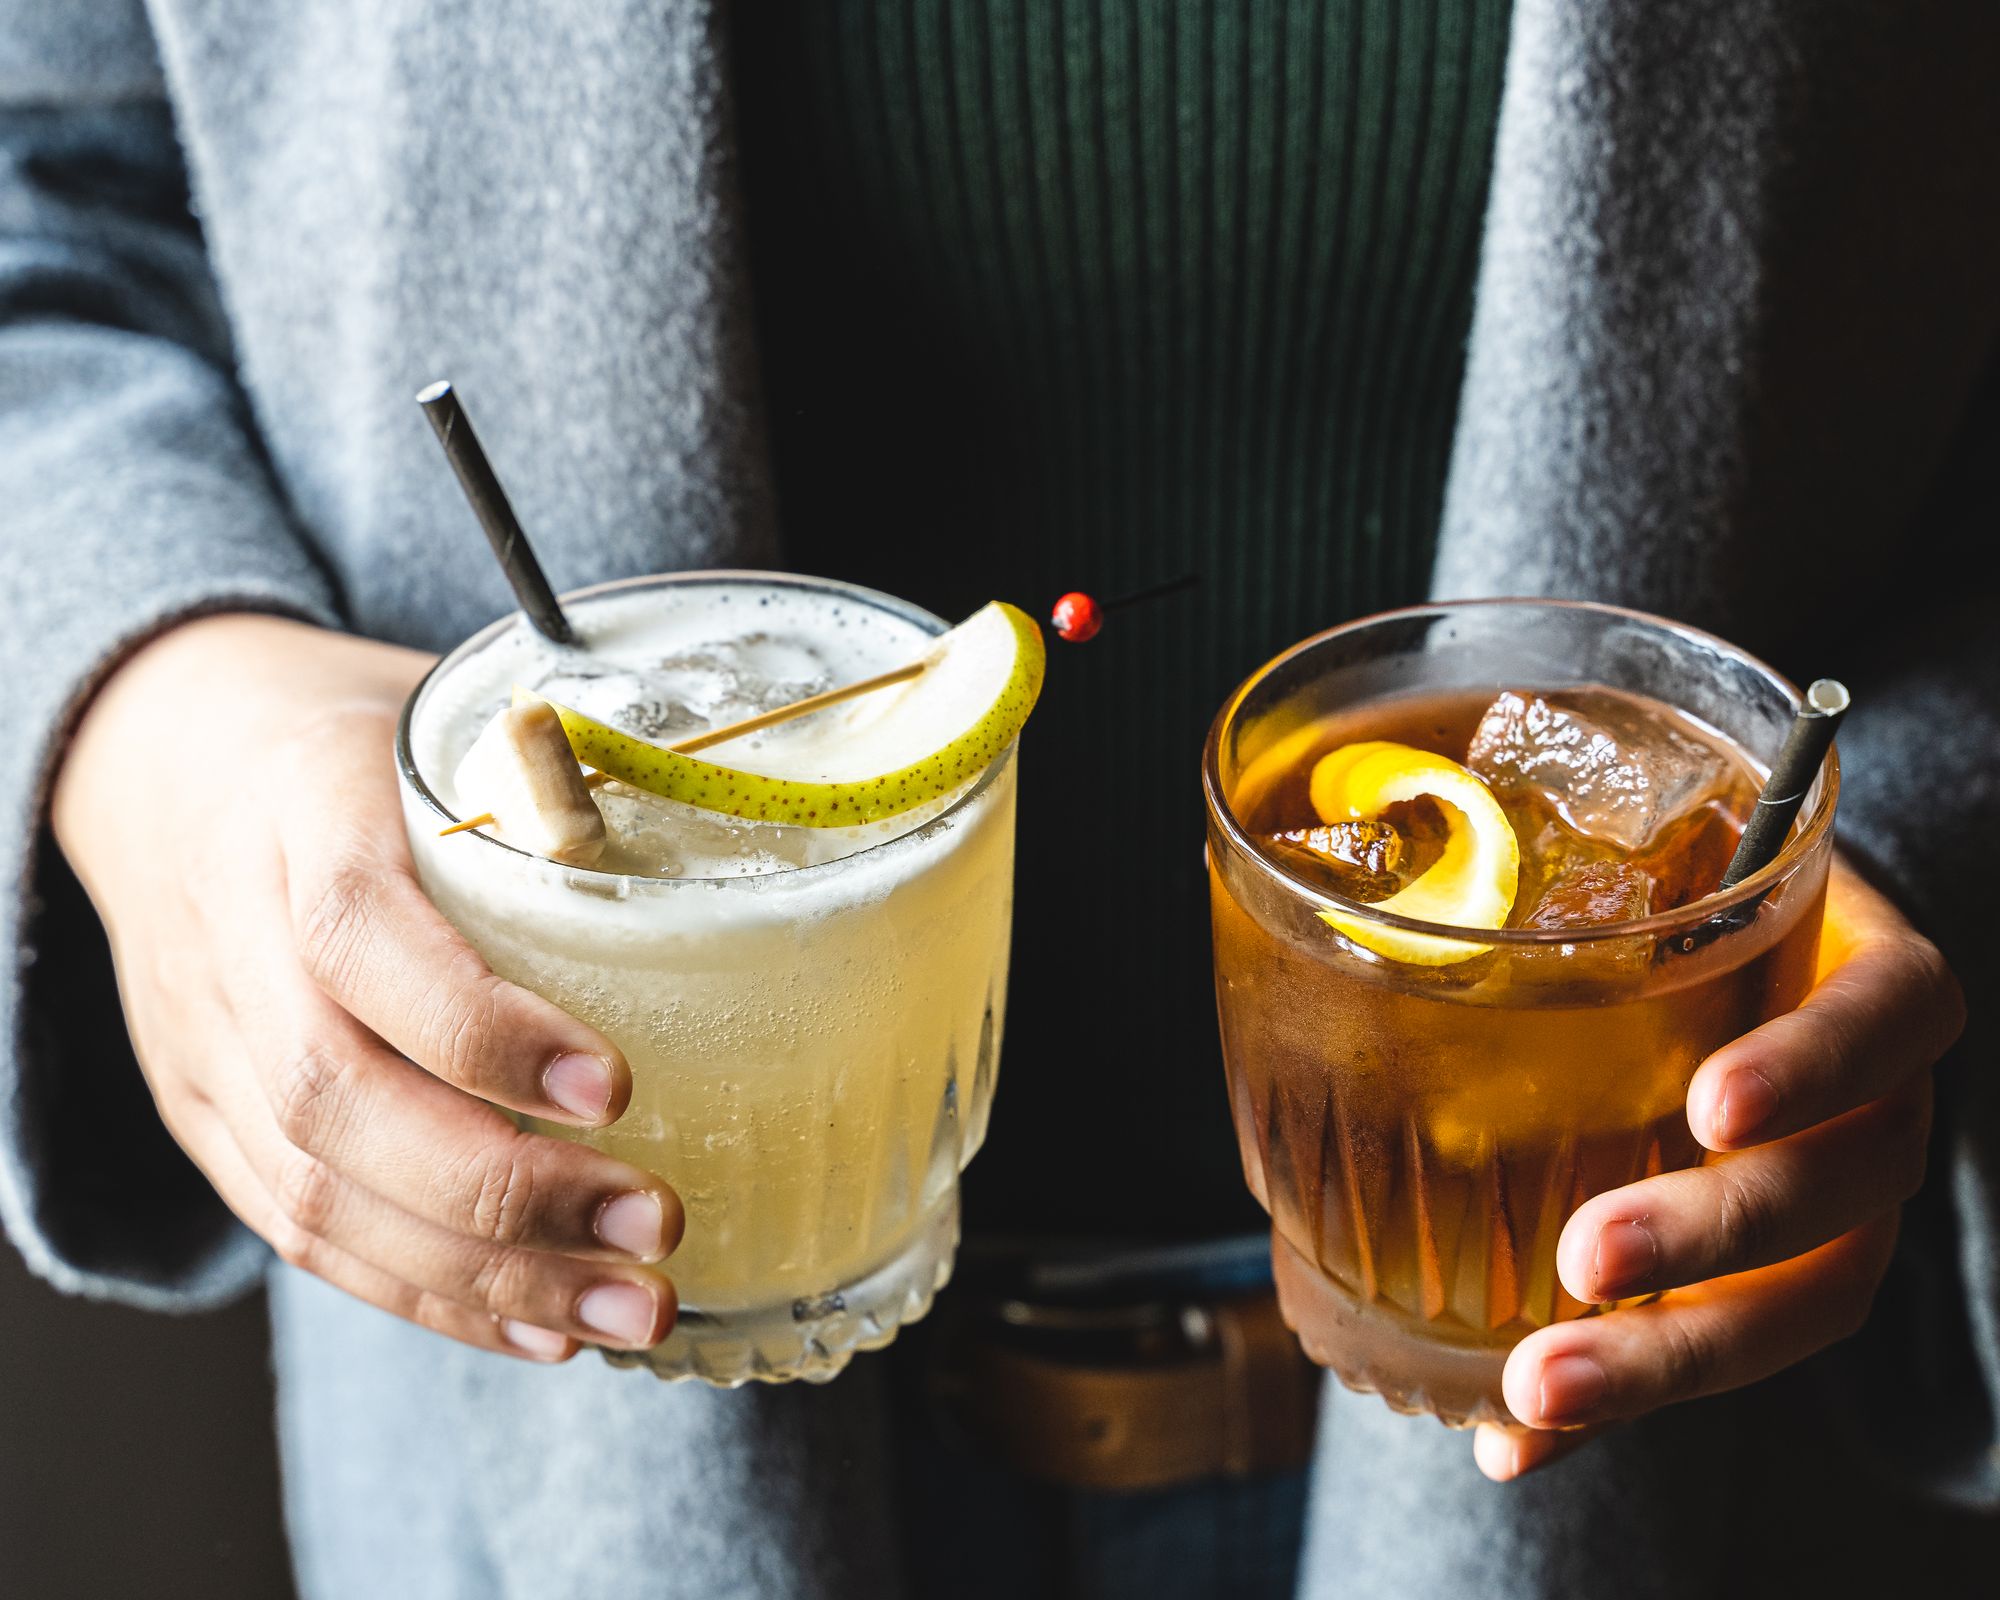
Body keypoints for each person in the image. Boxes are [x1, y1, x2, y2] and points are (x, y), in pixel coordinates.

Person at [2, 1, 1995, 1596]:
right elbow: (35, 202)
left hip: (1707, 1466)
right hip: (546, 1453)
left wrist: (1871, 842)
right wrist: (159, 702)